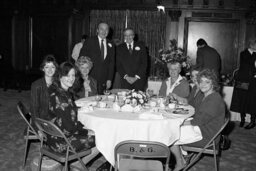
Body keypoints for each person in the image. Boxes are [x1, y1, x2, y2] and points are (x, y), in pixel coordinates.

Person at [170, 69, 225, 171]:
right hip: (203, 129)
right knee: (172, 130)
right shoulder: (207, 96)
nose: (203, 84)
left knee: (170, 135)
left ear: (213, 83)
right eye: (201, 81)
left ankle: (180, 162)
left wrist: (178, 123)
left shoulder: (214, 99)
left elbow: (197, 121)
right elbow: (198, 116)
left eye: (207, 82)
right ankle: (183, 157)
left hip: (207, 137)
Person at [47, 62, 98, 170]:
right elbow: (69, 128)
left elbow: (69, 120)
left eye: (73, 75)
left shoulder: (61, 92)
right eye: (67, 75)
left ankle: (78, 164)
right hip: (61, 142)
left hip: (54, 136)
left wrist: (84, 128)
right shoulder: (59, 97)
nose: (71, 78)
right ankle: (79, 166)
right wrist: (86, 131)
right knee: (101, 138)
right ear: (60, 76)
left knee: (93, 132)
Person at [79, 22, 115, 94]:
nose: (104, 32)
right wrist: (83, 77)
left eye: (106, 29)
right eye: (101, 29)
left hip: (104, 80)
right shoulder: (89, 41)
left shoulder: (111, 44)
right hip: (90, 78)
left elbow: (112, 63)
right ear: (97, 30)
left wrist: (109, 79)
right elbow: (81, 59)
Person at [231, 38, 256, 129]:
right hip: (243, 81)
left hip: (253, 82)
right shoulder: (243, 54)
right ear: (252, 45)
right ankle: (242, 119)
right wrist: (254, 53)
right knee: (242, 100)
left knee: (253, 102)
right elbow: (249, 64)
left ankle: (253, 121)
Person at [30, 54, 58, 128]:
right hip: (43, 121)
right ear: (43, 69)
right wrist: (38, 127)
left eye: (52, 67)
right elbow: (34, 108)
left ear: (56, 69)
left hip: (56, 117)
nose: (50, 70)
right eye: (47, 67)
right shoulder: (36, 85)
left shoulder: (58, 84)